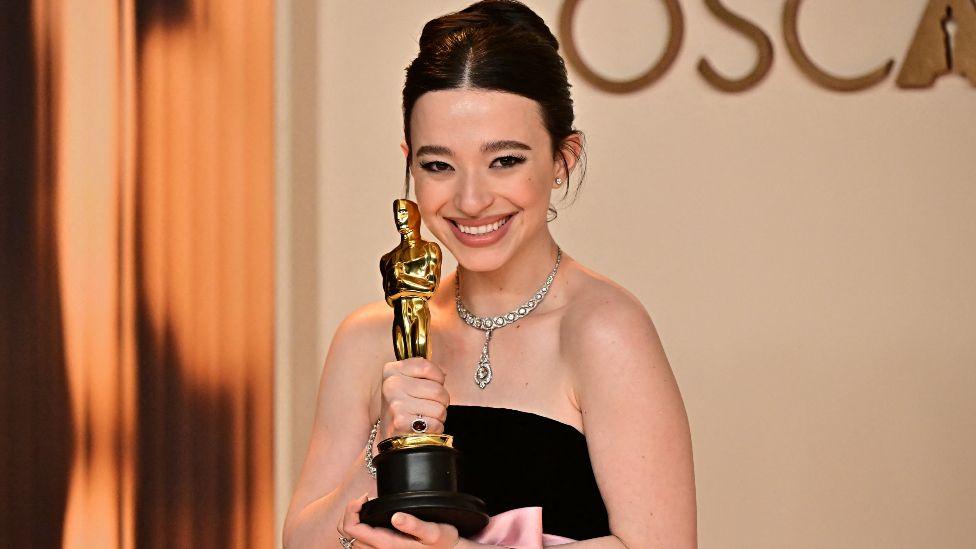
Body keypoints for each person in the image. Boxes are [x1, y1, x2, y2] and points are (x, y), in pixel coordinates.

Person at [283, 1, 696, 547]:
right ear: (410, 163)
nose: (471, 199)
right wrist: (387, 445)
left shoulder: (603, 330)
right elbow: (302, 541)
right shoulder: (370, 337)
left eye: (505, 160)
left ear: (562, 159)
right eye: (438, 166)